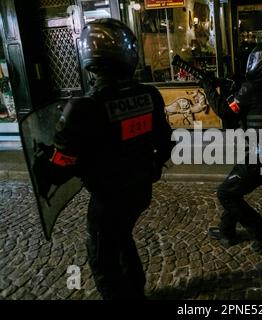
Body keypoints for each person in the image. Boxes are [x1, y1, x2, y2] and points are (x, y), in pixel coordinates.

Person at [43, 19, 173, 299]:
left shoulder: (83, 107)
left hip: (108, 197)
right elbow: (165, 141)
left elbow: (59, 169)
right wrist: (152, 168)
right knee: (122, 237)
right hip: (140, 189)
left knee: (103, 257)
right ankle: (136, 292)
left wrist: (47, 158)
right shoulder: (148, 94)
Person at [199, 42, 262, 254]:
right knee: (234, 188)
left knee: (226, 193)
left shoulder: (253, 88)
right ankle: (227, 231)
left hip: (260, 157)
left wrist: (207, 86)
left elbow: (225, 112)